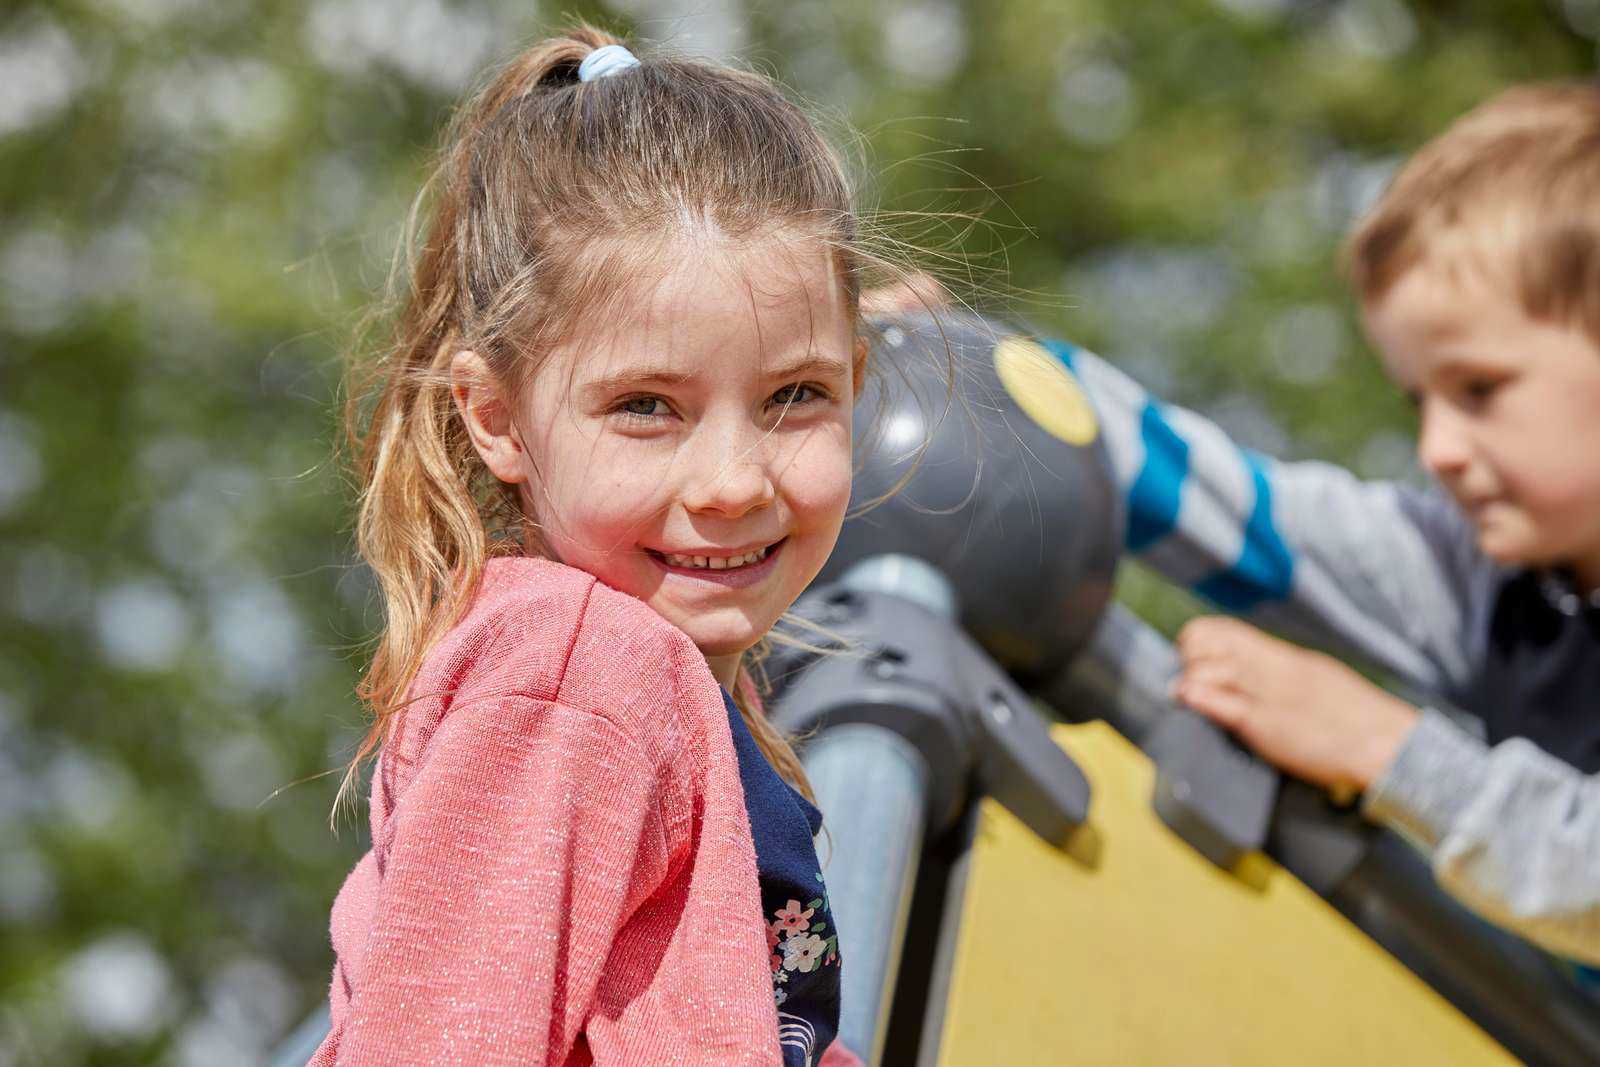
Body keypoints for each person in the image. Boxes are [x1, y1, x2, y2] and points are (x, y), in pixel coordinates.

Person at [308, 25, 922, 1065]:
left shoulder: (663, 676)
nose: (734, 482)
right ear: (496, 417)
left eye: (794, 394)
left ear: (855, 382)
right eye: (646, 406)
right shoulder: (583, 673)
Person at [1045, 82, 1600, 964]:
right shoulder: (1491, 577)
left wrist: (1382, 745)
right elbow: (1245, 521)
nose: (1438, 448)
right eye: (1419, 400)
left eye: (1480, 389)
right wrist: (994, 374)